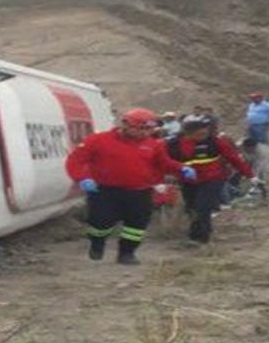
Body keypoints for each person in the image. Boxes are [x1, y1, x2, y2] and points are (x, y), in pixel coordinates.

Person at [65, 108, 196, 264]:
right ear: (126, 125)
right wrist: (83, 178)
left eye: (149, 129)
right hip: (104, 191)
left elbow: (164, 163)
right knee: (101, 222)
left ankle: (127, 253)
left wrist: (181, 168)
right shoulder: (98, 140)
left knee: (136, 225)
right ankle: (97, 242)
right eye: (141, 129)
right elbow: (75, 161)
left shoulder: (153, 145)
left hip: (139, 191)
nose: (145, 133)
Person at [168, 116, 254, 244]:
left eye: (205, 133)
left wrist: (250, 175)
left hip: (213, 179)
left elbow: (233, 158)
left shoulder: (215, 142)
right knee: (191, 207)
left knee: (203, 206)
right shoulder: (174, 144)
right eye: (200, 134)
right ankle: (195, 233)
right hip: (189, 181)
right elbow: (162, 160)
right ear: (188, 134)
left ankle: (204, 237)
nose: (204, 136)